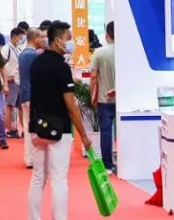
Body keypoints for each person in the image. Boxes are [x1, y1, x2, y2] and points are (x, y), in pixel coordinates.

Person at [27, 22, 92, 220]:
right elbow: (70, 105)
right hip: (59, 128)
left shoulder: (36, 63)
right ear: (57, 40)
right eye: (68, 38)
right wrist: (83, 135)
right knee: (59, 178)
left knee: (38, 177)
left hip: (37, 126)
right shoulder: (62, 67)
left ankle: (33, 217)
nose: (71, 43)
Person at [90, 21, 116, 172]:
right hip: (122, 99)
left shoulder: (99, 53)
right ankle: (124, 162)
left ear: (107, 35)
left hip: (103, 99)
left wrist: (92, 95)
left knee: (106, 132)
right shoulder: (125, 52)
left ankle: (108, 165)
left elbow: (93, 77)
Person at [18, 28, 43, 168]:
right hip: (33, 95)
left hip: (24, 94)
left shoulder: (23, 54)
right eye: (41, 37)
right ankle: (34, 158)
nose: (43, 40)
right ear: (35, 38)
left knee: (28, 128)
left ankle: (29, 159)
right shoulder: (33, 55)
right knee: (35, 129)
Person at [2, 27, 25, 139]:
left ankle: (24, 129)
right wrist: (5, 79)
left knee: (21, 106)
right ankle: (9, 130)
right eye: (20, 38)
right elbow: (1, 65)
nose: (21, 40)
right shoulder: (6, 49)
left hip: (18, 80)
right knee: (9, 106)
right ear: (14, 37)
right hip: (11, 80)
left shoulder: (18, 49)